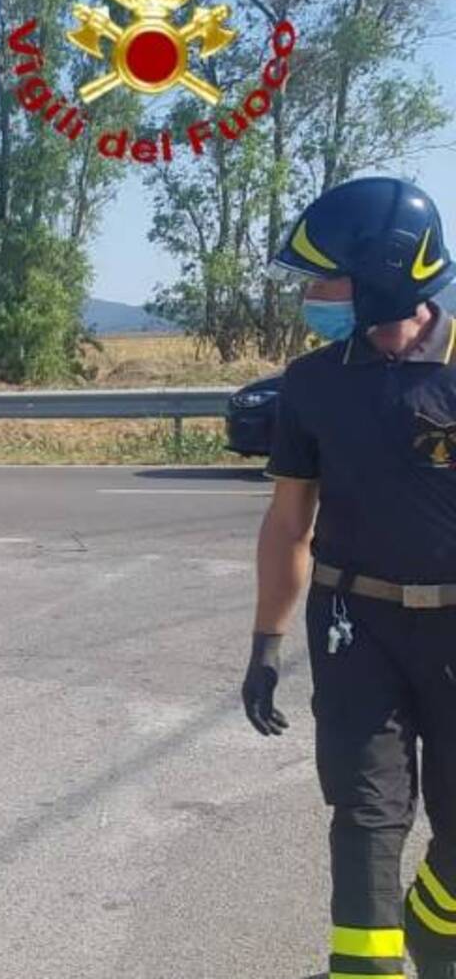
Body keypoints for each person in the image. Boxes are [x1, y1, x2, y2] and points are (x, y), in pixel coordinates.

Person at [243, 177, 456, 979]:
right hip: (354, 629)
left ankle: (433, 926)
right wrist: (265, 642)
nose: (309, 296)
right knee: (366, 820)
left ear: (383, 275)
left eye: (322, 278)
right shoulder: (312, 383)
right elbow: (290, 522)